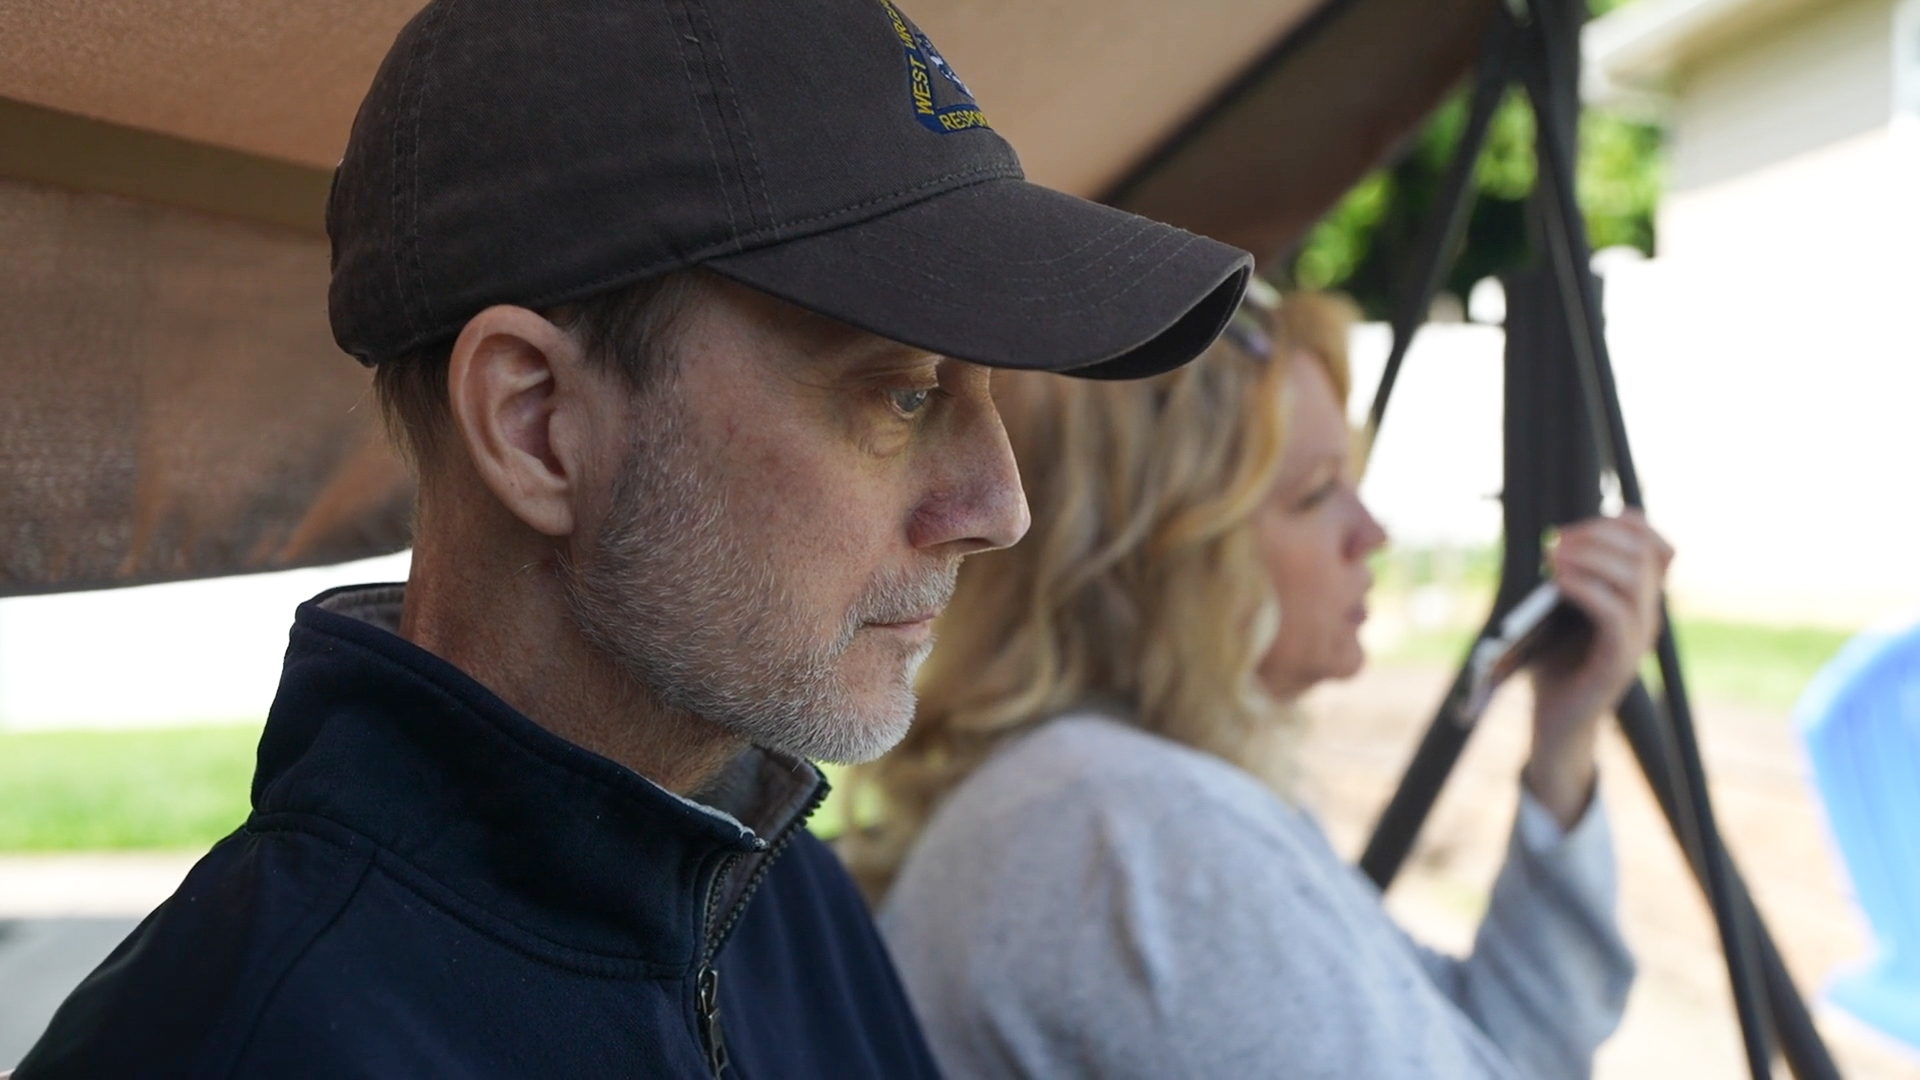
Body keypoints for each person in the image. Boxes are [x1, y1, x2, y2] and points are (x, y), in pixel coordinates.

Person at [10, 1, 1251, 1077]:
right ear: (538, 426)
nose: (999, 506)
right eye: (904, 393)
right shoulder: (254, 1042)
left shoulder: (774, 891)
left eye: (989, 392)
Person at [853, 287, 1671, 1079]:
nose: (1371, 533)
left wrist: (1564, 743)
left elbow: (1504, 1046)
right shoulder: (1135, 829)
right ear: (1162, 555)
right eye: (1316, 493)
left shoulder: (1124, 789)